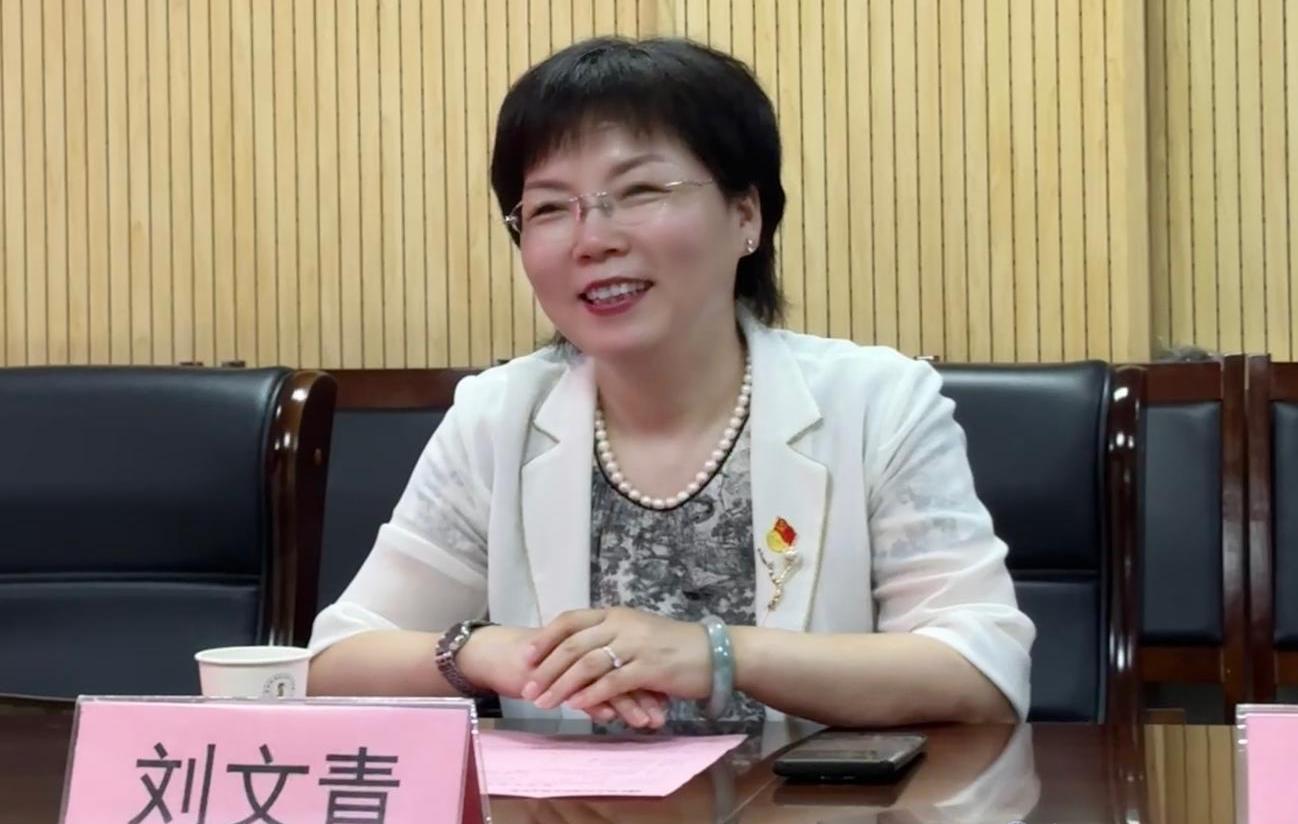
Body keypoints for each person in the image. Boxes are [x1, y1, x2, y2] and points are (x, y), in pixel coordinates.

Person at [307, 36, 1035, 729]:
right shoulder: (499, 416)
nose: (593, 239)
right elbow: (334, 661)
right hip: (571, 817)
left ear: (746, 215)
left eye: (641, 191)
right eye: (551, 207)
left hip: (816, 814)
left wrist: (718, 654)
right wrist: (483, 651)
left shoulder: (878, 403)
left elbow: (982, 672)